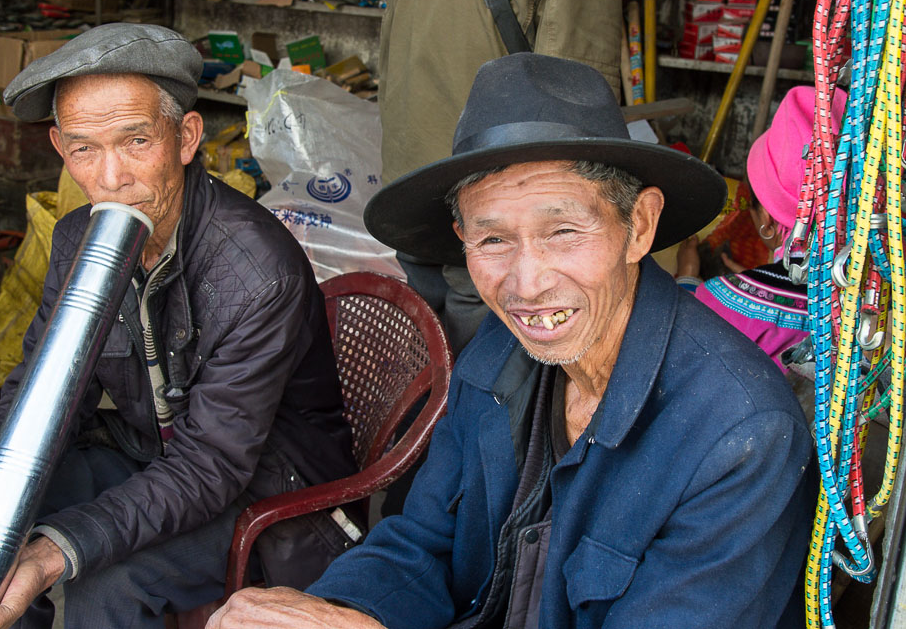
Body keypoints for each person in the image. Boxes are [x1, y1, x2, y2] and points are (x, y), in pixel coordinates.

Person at [206, 54, 815, 629]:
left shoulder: (741, 434)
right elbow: (422, 543)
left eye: (564, 231)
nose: (527, 285)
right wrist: (341, 610)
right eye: (493, 240)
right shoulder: (498, 355)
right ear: (461, 237)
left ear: (641, 227)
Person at [0, 24, 357, 629]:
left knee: (106, 578)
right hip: (155, 452)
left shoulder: (255, 271)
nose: (111, 177)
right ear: (62, 150)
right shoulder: (78, 240)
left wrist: (56, 554)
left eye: (136, 141)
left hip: (266, 484)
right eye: (85, 149)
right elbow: (39, 392)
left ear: (185, 138)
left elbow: (211, 466)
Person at [379, 0, 625, 355]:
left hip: (413, 173)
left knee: (424, 339)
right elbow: (573, 104)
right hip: (496, 190)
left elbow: (390, 44)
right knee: (494, 351)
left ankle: (423, 423)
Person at [676, 85, 848, 373]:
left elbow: (680, 342)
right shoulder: (876, 291)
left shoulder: (722, 301)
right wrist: (760, 278)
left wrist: (687, 277)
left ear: (767, 220)